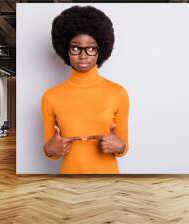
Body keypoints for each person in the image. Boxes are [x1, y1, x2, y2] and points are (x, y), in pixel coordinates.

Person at [41, 5, 130, 174]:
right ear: (66, 50)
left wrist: (119, 146)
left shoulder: (118, 93)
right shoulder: (50, 97)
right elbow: (49, 150)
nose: (83, 55)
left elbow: (123, 146)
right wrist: (52, 149)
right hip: (69, 186)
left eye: (91, 48)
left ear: (100, 50)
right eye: (76, 47)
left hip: (108, 183)